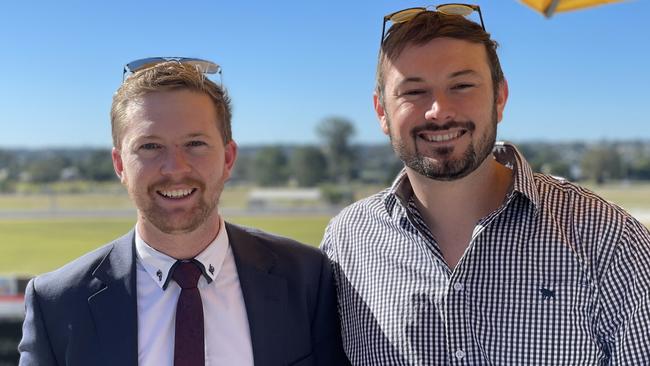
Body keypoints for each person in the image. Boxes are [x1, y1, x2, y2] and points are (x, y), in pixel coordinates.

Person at [321, 4, 650, 365]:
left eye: (461, 85)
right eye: (413, 92)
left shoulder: (608, 240)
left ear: (499, 97)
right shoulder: (346, 244)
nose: (438, 110)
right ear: (381, 111)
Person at [19, 58, 349, 366]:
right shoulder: (57, 303)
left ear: (228, 158)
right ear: (120, 164)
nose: (175, 168)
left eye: (195, 144)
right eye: (150, 146)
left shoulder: (307, 278)